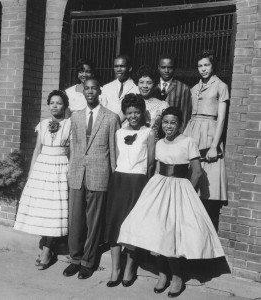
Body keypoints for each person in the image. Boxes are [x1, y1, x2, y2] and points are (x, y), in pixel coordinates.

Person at [118, 107, 225, 298]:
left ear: (180, 124)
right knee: (156, 232)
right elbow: (158, 167)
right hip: (159, 187)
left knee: (171, 235)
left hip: (179, 188)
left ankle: (176, 277)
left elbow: (197, 171)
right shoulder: (159, 144)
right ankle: (162, 275)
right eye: (166, 122)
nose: (169, 126)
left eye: (173, 122)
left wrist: (187, 193)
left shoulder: (188, 142)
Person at [63, 78, 120, 280]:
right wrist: (70, 171)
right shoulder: (76, 117)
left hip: (99, 174)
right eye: (86, 88)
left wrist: (114, 176)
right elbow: (74, 147)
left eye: (93, 88)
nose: (90, 91)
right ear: (83, 92)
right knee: (75, 220)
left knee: (94, 221)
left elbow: (114, 150)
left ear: (99, 91)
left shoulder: (111, 117)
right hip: (78, 173)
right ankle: (75, 258)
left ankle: (88, 261)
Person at [14, 90, 71, 270]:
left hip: (60, 167)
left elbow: (72, 151)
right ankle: (48, 246)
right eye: (52, 102)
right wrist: (31, 172)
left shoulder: (70, 124)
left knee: (54, 209)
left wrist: (69, 171)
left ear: (65, 106)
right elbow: (37, 148)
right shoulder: (44, 124)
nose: (55, 106)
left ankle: (47, 250)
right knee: (43, 208)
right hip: (42, 166)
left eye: (59, 103)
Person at [104, 93, 156, 288]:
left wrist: (144, 183)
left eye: (136, 112)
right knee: (115, 224)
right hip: (119, 180)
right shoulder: (119, 133)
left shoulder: (149, 132)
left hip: (138, 181)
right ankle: (115, 268)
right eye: (129, 112)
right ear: (125, 114)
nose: (133, 116)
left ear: (142, 112)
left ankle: (129, 269)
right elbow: (117, 159)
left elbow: (151, 163)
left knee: (133, 226)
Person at [184, 50, 229, 227]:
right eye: (200, 66)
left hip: (210, 133)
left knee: (207, 186)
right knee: (189, 181)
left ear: (213, 65)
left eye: (206, 65)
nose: (203, 69)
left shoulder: (221, 86)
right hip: (192, 130)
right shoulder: (194, 88)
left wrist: (214, 146)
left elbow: (222, 119)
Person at [157, 54, 192, 132]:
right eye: (163, 67)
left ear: (174, 68)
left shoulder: (183, 89)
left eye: (170, 67)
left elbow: (185, 116)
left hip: (173, 134)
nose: (166, 71)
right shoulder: (152, 86)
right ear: (158, 67)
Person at [101, 54, 139, 123]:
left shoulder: (137, 88)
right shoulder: (106, 87)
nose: (118, 69)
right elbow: (103, 110)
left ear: (129, 68)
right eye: (116, 66)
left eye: (122, 66)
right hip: (109, 127)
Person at [135, 65, 168, 133]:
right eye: (141, 82)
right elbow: (117, 119)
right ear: (137, 83)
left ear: (155, 84)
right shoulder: (132, 102)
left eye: (149, 83)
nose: (144, 86)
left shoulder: (162, 105)